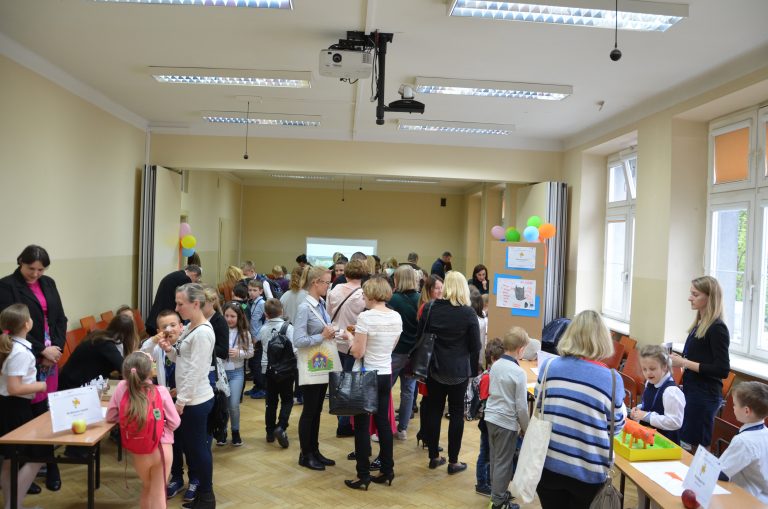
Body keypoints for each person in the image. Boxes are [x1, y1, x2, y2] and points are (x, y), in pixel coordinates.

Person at [535, 310, 625, 509]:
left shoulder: (548, 366)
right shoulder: (612, 379)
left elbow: (539, 405)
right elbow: (616, 428)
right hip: (589, 472)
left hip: (548, 464)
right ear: (603, 339)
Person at [0, 245, 66, 491]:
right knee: (28, 418)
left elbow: (60, 319)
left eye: (41, 269)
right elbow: (10, 326)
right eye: (31, 268)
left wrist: (56, 350)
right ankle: (24, 472)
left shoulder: (48, 283)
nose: (36, 274)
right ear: (21, 262)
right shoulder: (6, 286)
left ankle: (49, 465)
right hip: (28, 353)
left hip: (52, 355)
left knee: (46, 413)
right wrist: (41, 351)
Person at [159, 283, 216, 509]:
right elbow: (181, 358)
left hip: (195, 401)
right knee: (192, 448)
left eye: (180, 304)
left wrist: (181, 401)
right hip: (188, 398)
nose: (176, 308)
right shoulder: (191, 327)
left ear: (195, 304)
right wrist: (169, 350)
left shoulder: (202, 333)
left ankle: (207, 497)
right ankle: (202, 494)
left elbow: (196, 371)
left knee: (198, 450)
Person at [418, 271, 481, 474]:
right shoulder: (468, 313)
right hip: (458, 371)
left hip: (434, 368)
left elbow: (420, 337)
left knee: (434, 411)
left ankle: (434, 456)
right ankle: (454, 462)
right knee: (456, 414)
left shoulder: (430, 308)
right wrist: (472, 371)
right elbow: (475, 346)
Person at [344, 276, 402, 490]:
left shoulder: (366, 318)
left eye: (364, 294)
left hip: (367, 375)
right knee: (383, 423)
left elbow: (358, 352)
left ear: (371, 295)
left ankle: (363, 475)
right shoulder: (396, 317)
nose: (363, 298)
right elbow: (392, 346)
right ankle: (387, 469)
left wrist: (350, 339)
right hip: (385, 373)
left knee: (361, 426)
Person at [106, 351, 180, 509]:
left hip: (139, 449)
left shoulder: (121, 388)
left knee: (147, 488)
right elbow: (175, 422)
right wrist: (161, 426)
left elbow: (111, 416)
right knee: (158, 493)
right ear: (150, 371)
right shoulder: (161, 391)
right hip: (161, 448)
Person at [670, 276, 730, 451]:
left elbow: (722, 370)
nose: (690, 298)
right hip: (693, 391)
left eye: (695, 295)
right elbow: (698, 357)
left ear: (709, 298)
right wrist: (680, 359)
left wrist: (685, 362)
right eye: (691, 293)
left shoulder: (717, 328)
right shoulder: (700, 323)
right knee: (685, 441)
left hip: (704, 396)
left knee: (695, 445)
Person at [0, 304, 48, 509]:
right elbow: (14, 387)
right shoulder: (20, 352)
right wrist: (41, 385)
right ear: (27, 324)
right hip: (15, 409)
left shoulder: (11, 346)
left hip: (9, 407)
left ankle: (14, 505)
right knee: (37, 456)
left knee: (10, 461)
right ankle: (13, 505)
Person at [293, 266, 337, 471]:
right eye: (326, 282)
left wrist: (333, 332)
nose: (328, 286)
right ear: (315, 283)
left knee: (317, 409)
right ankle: (305, 454)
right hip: (312, 362)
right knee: (310, 411)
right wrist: (322, 336)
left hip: (322, 361)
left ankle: (315, 449)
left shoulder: (320, 303)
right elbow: (298, 340)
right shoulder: (305, 307)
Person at [485, 328, 530, 509]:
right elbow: (522, 407)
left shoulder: (496, 365)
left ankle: (496, 492)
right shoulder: (519, 373)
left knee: (495, 458)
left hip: (490, 417)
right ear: (520, 349)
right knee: (504, 463)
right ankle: (498, 502)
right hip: (506, 423)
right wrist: (526, 428)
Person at [327, 259, 367, 438]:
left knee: (337, 383)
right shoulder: (363, 295)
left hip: (335, 341)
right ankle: (345, 424)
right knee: (350, 384)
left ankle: (341, 421)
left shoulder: (334, 290)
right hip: (352, 343)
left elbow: (328, 314)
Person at [717, 381, 768, 503]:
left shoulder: (744, 441)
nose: (733, 407)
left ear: (746, 411)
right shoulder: (764, 432)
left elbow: (721, 472)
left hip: (747, 498)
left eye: (735, 404)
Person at [58, 315, 135, 390]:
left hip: (70, 381)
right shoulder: (106, 344)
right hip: (72, 388)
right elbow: (124, 369)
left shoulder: (98, 335)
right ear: (128, 335)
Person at [387, 264, 420, 440]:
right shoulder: (421, 299)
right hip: (414, 353)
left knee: (385, 388)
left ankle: (384, 425)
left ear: (397, 280)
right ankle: (402, 429)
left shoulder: (393, 299)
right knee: (408, 391)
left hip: (396, 351)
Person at [258, 298, 295, 448]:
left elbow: (262, 345)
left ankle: (269, 432)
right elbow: (294, 349)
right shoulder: (289, 328)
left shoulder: (263, 329)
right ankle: (281, 426)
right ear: (282, 311)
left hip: (268, 369)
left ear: (266, 314)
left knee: (271, 402)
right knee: (287, 400)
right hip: (286, 370)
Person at [630, 345, 685, 444]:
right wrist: (639, 409)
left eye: (652, 369)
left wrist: (646, 416)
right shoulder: (650, 382)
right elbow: (652, 405)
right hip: (649, 437)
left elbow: (675, 422)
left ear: (664, 367)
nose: (648, 373)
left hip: (665, 442)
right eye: (644, 369)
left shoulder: (671, 391)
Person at [221, 302, 253, 447]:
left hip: (237, 373)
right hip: (221, 373)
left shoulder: (244, 333)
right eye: (226, 315)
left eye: (232, 316)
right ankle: (222, 430)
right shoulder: (219, 330)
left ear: (239, 317)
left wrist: (239, 353)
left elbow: (250, 352)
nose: (229, 319)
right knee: (222, 405)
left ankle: (235, 431)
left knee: (233, 404)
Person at [474, 338, 504, 498]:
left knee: (492, 453)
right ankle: (481, 483)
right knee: (485, 453)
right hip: (487, 421)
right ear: (492, 358)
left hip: (493, 419)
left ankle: (490, 481)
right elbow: (485, 400)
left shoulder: (494, 375)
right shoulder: (487, 377)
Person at [145, 265, 202, 336]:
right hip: (164, 321)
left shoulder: (176, 275)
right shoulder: (185, 279)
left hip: (155, 318)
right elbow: (186, 299)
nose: (193, 283)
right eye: (196, 280)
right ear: (194, 274)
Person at [246, 279, 267, 399]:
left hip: (258, 339)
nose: (252, 292)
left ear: (261, 291)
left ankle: (263, 388)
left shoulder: (262, 304)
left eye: (254, 290)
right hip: (252, 338)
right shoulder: (251, 302)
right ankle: (257, 385)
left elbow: (267, 321)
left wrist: (258, 338)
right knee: (252, 364)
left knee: (257, 364)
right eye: (250, 290)